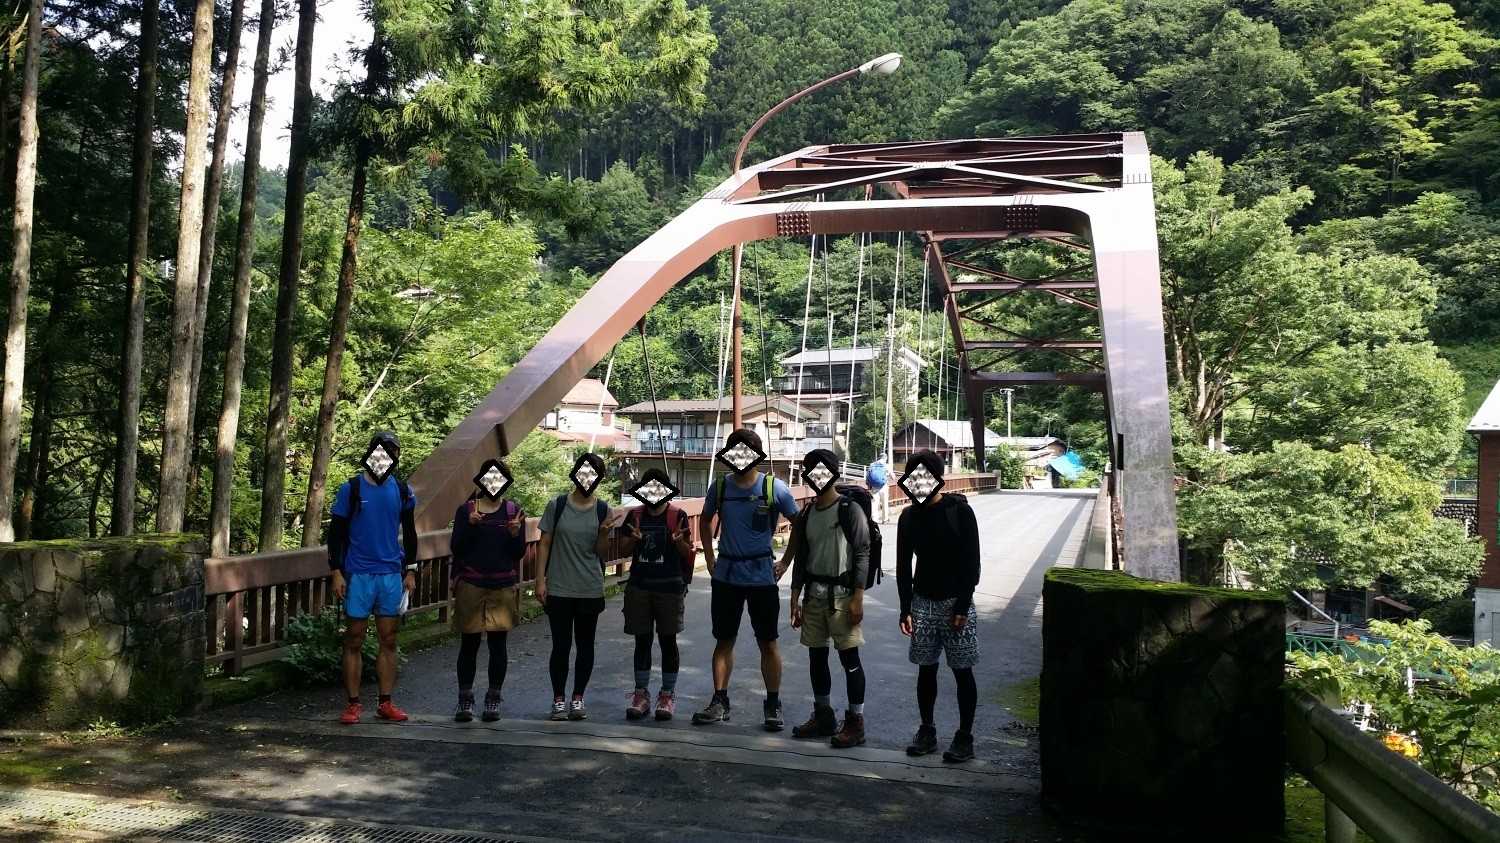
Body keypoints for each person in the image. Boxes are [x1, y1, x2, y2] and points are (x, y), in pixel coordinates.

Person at [693, 428, 800, 730]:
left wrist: (786, 562)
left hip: (761, 576)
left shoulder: (774, 488)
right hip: (727, 575)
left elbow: (799, 523)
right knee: (723, 640)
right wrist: (710, 557)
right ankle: (719, 700)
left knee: (768, 642)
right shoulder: (720, 487)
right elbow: (704, 520)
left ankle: (773, 704)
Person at [896, 450, 982, 763]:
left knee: (962, 671)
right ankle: (927, 730)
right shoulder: (908, 517)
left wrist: (962, 606)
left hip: (955, 602)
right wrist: (905, 608)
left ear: (937, 477)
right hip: (922, 602)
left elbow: (972, 562)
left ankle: (964, 737)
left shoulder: (959, 512)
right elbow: (903, 567)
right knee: (926, 669)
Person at [328, 430, 418, 725]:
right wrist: (336, 571)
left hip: (391, 573)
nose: (388, 455)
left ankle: (385, 702)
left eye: (393, 450)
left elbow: (411, 533)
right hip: (358, 573)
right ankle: (353, 704)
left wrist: (411, 570)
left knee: (389, 638)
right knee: (353, 638)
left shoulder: (403, 491)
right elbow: (336, 533)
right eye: (383, 449)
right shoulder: (352, 489)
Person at [787, 449, 871, 748]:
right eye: (811, 470)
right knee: (816, 657)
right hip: (814, 596)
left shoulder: (849, 509)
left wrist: (858, 597)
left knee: (850, 659)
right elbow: (801, 557)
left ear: (833, 473)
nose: (815, 476)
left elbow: (862, 553)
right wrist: (794, 597)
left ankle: (855, 722)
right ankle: (824, 715)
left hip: (843, 597)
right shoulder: (807, 513)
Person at [536, 452, 616, 721]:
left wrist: (604, 533)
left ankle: (578, 698)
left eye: (594, 474)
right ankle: (558, 698)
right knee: (560, 646)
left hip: (589, 587)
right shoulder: (557, 505)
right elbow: (544, 543)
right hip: (559, 586)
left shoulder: (603, 510)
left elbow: (602, 552)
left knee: (585, 646)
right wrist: (540, 580)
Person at [615, 468, 695, 721]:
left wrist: (678, 541)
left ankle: (667, 695)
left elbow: (687, 552)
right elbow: (623, 550)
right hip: (640, 586)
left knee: (668, 641)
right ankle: (641, 694)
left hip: (670, 588)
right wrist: (634, 539)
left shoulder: (677, 515)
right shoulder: (634, 515)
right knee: (642, 640)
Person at [448, 482, 526, 723]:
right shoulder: (466, 510)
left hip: (501, 585)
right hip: (471, 583)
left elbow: (518, 553)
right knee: (469, 643)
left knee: (498, 644)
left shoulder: (513, 511)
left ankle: (493, 697)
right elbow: (457, 547)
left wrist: (515, 535)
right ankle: (465, 698)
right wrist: (470, 526)